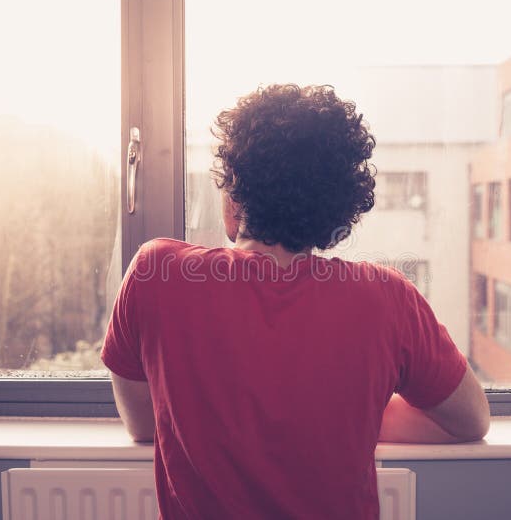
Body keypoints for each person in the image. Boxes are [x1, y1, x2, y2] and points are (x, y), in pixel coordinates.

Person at [101, 84, 490, 519]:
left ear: (233, 204)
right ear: (337, 212)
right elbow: (471, 420)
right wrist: (348, 413)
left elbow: (144, 424)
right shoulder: (388, 300)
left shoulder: (157, 274)